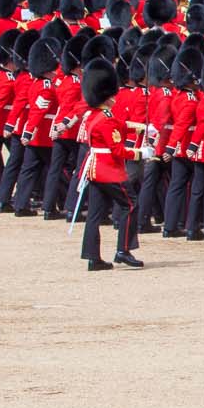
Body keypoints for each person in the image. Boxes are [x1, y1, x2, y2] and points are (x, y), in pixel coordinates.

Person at [77, 57, 142, 270]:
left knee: (95, 214)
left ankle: (92, 257)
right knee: (130, 205)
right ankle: (123, 250)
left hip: (95, 169)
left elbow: (118, 127)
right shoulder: (107, 118)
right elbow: (117, 150)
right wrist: (141, 153)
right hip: (109, 171)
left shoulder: (94, 115)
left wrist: (139, 128)